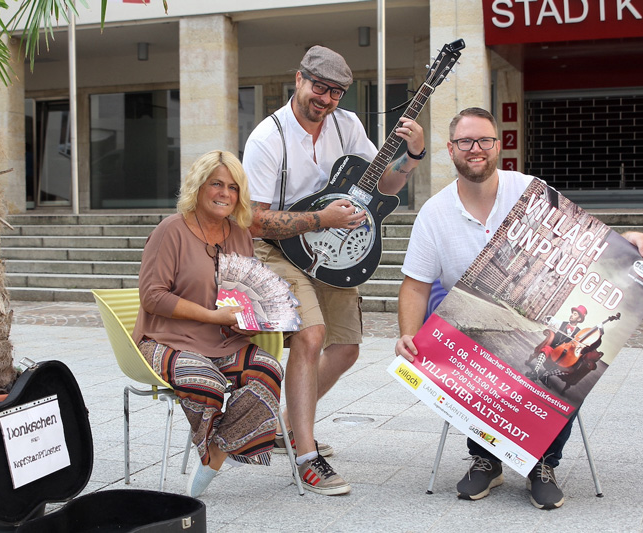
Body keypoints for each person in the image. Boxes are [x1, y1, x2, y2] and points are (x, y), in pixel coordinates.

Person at [394, 107, 643, 510]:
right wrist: (407, 336)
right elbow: (414, 286)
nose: (476, 149)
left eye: (485, 140)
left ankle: (543, 463)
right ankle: (486, 458)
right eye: (466, 142)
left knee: (569, 364)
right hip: (462, 324)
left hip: (542, 314)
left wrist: (626, 241)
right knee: (465, 343)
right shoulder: (433, 213)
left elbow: (582, 244)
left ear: (499, 146)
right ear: (451, 149)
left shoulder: (530, 189)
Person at [243, 45, 426, 495]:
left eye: (337, 93)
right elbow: (253, 219)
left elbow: (381, 183)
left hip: (332, 250)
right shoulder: (268, 138)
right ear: (299, 79)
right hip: (277, 248)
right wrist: (321, 220)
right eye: (320, 88)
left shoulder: (347, 126)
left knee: (346, 348)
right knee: (310, 335)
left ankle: (287, 424)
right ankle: (307, 456)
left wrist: (413, 154)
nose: (326, 100)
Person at [132, 150, 283, 498]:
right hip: (166, 339)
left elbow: (242, 295)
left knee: (267, 369)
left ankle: (215, 454)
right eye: (217, 183)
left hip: (223, 340)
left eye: (233, 187)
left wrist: (254, 320)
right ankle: (222, 447)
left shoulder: (240, 234)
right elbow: (153, 297)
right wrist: (213, 316)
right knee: (205, 382)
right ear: (198, 186)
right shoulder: (170, 230)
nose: (225, 194)